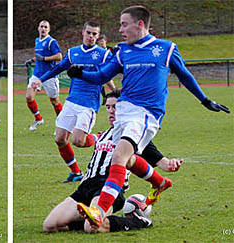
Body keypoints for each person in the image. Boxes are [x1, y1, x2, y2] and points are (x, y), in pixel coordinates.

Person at [67, 5, 230, 228]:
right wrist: (81, 74)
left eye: (124, 24)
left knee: (118, 159)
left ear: (140, 24)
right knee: (129, 158)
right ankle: (159, 182)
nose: (120, 29)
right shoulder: (123, 50)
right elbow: (102, 76)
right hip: (124, 111)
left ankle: (99, 210)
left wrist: (204, 100)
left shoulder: (166, 48)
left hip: (146, 114)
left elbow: (185, 75)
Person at [43, 90, 183, 233]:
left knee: (91, 229)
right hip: (85, 187)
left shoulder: (132, 138)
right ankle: (90, 220)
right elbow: (86, 140)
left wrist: (170, 163)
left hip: (108, 188)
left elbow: (161, 162)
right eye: (108, 107)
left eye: (115, 107)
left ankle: (137, 221)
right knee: (49, 226)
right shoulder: (103, 134)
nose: (110, 111)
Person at [33, 21, 115, 183]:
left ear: (98, 36)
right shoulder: (73, 53)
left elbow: (107, 75)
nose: (91, 36)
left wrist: (115, 90)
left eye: (94, 34)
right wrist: (40, 80)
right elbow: (57, 69)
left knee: (78, 141)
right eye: (89, 33)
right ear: (82, 32)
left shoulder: (103, 54)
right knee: (60, 139)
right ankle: (76, 172)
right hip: (71, 101)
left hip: (89, 103)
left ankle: (99, 137)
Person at [25, 20, 63, 131]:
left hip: (49, 75)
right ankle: (38, 119)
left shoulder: (51, 42)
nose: (43, 29)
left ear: (49, 29)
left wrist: (45, 59)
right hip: (37, 74)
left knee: (55, 101)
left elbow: (59, 56)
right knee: (29, 97)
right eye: (41, 26)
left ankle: (61, 125)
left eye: (46, 27)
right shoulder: (37, 40)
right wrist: (32, 60)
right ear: (38, 28)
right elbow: (39, 56)